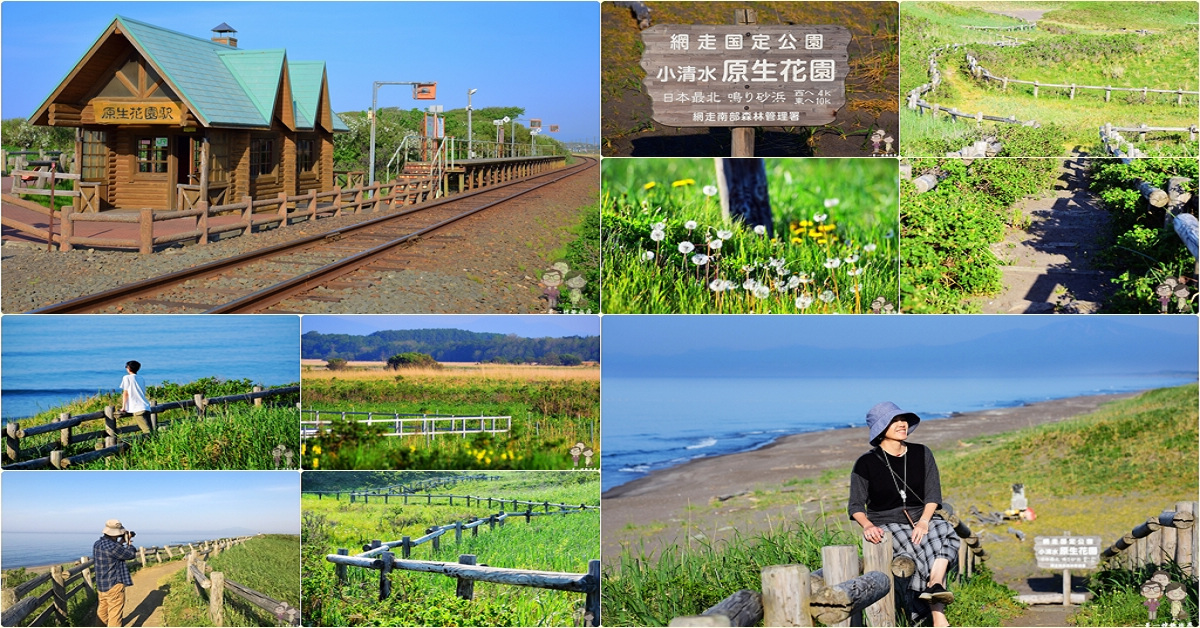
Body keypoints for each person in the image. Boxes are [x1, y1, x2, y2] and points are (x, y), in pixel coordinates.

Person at [848, 401, 960, 628]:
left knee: (946, 530)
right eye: (894, 420)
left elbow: (933, 495)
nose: (902, 424)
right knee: (915, 548)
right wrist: (867, 526)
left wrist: (924, 522)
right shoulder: (865, 463)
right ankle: (935, 612)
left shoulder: (922, 452)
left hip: (922, 516)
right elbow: (856, 506)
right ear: (881, 429)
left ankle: (935, 584)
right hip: (886, 522)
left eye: (903, 419)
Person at [93, 519, 137, 627]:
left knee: (102, 610)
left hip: (101, 584)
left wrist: (120, 543)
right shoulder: (113, 547)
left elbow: (113, 550)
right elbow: (130, 554)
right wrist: (129, 543)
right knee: (115, 614)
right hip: (114, 584)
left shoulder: (97, 544)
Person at [121, 360, 152, 434]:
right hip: (146, 406)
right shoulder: (141, 378)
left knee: (147, 431)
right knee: (150, 428)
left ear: (128, 368)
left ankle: (152, 443)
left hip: (137, 408)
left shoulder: (127, 378)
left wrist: (124, 407)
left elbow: (126, 393)